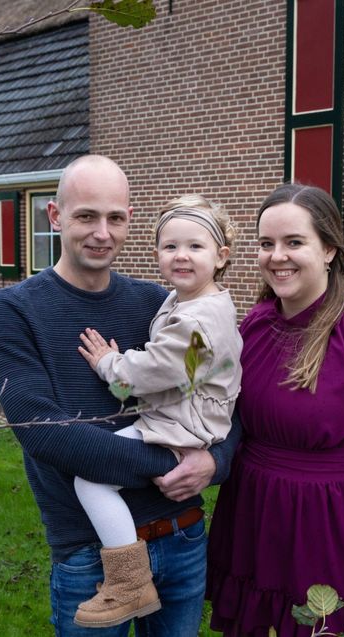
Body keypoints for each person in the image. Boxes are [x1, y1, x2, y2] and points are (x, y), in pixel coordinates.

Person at [0, 155, 241, 637]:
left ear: (129, 220)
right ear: (55, 216)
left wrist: (214, 462)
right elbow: (44, 432)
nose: (102, 232)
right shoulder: (12, 311)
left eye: (115, 218)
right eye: (86, 216)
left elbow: (224, 397)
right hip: (88, 554)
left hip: (180, 535)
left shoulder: (161, 304)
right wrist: (172, 464)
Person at [206, 183, 344, 637]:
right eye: (267, 244)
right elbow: (213, 401)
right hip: (254, 521)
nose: (276, 256)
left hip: (331, 532)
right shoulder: (255, 324)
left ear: (328, 249)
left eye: (294, 242)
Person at [73, 195, 242, 627]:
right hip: (190, 415)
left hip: (182, 426)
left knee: (90, 479)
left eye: (195, 247)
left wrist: (108, 363)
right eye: (170, 247)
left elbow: (142, 375)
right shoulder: (195, 301)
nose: (181, 256)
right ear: (156, 256)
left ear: (221, 256)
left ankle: (129, 582)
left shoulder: (195, 320)